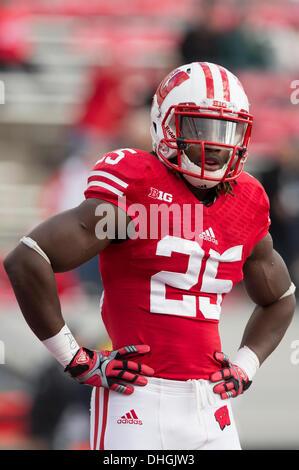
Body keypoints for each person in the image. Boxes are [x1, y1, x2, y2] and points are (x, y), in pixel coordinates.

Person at [4, 62, 296, 450]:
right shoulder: (137, 183)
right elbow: (28, 257)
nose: (216, 144)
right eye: (200, 127)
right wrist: (74, 357)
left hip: (211, 402)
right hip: (138, 399)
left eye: (227, 130)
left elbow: (280, 297)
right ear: (167, 126)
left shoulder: (246, 199)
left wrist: (246, 363)